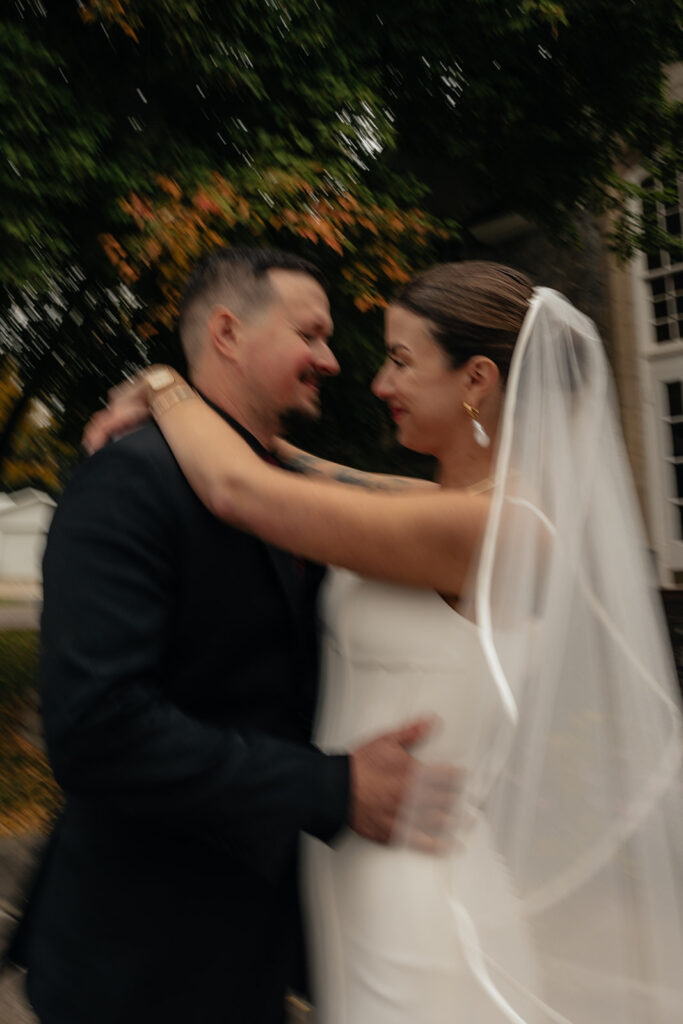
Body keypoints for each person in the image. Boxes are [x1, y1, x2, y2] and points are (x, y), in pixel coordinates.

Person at [88, 258, 683, 1023]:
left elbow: (241, 488)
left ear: (474, 380)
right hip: (354, 868)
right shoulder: (449, 502)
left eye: (401, 360)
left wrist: (164, 385)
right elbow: (299, 467)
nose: (377, 384)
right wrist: (199, 405)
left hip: (413, 890)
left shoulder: (499, 527)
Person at [6, 248, 458, 1024]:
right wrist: (335, 787)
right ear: (226, 331)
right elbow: (97, 730)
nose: (331, 360)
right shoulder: (127, 480)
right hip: (135, 964)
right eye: (310, 334)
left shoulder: (293, 492)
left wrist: (157, 382)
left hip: (261, 950)